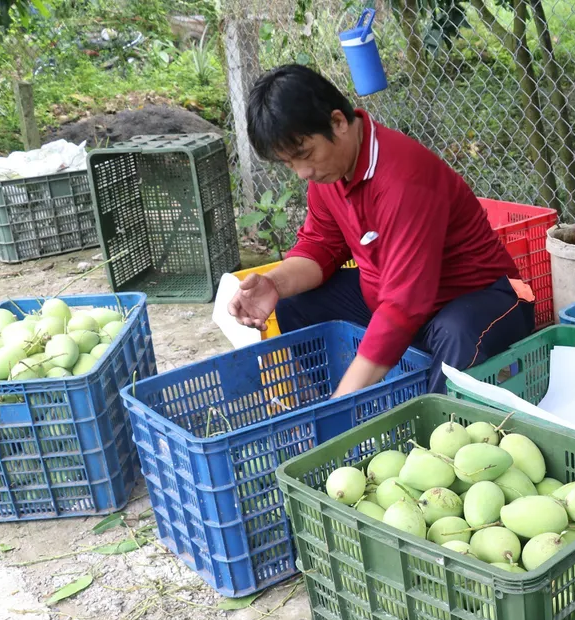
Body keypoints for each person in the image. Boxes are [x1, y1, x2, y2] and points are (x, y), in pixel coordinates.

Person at [229, 64, 536, 395]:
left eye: (305, 155)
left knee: (457, 332)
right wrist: (274, 283)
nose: (302, 172)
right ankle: (345, 402)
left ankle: (429, 429)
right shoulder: (329, 173)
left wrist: (342, 400)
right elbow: (321, 246)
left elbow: (404, 305)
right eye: (289, 163)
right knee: (297, 301)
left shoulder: (403, 180)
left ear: (338, 122)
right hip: (400, 303)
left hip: (487, 299)